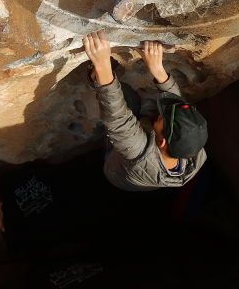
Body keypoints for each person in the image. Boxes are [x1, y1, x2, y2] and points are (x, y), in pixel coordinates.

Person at [83, 30, 208, 191]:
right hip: (150, 147)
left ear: (161, 142)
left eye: (165, 116)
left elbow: (118, 120)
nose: (163, 112)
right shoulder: (191, 147)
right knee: (142, 110)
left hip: (116, 170)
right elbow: (179, 110)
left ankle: (94, 75)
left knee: (129, 100)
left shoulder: (139, 155)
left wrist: (102, 65)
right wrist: (158, 70)